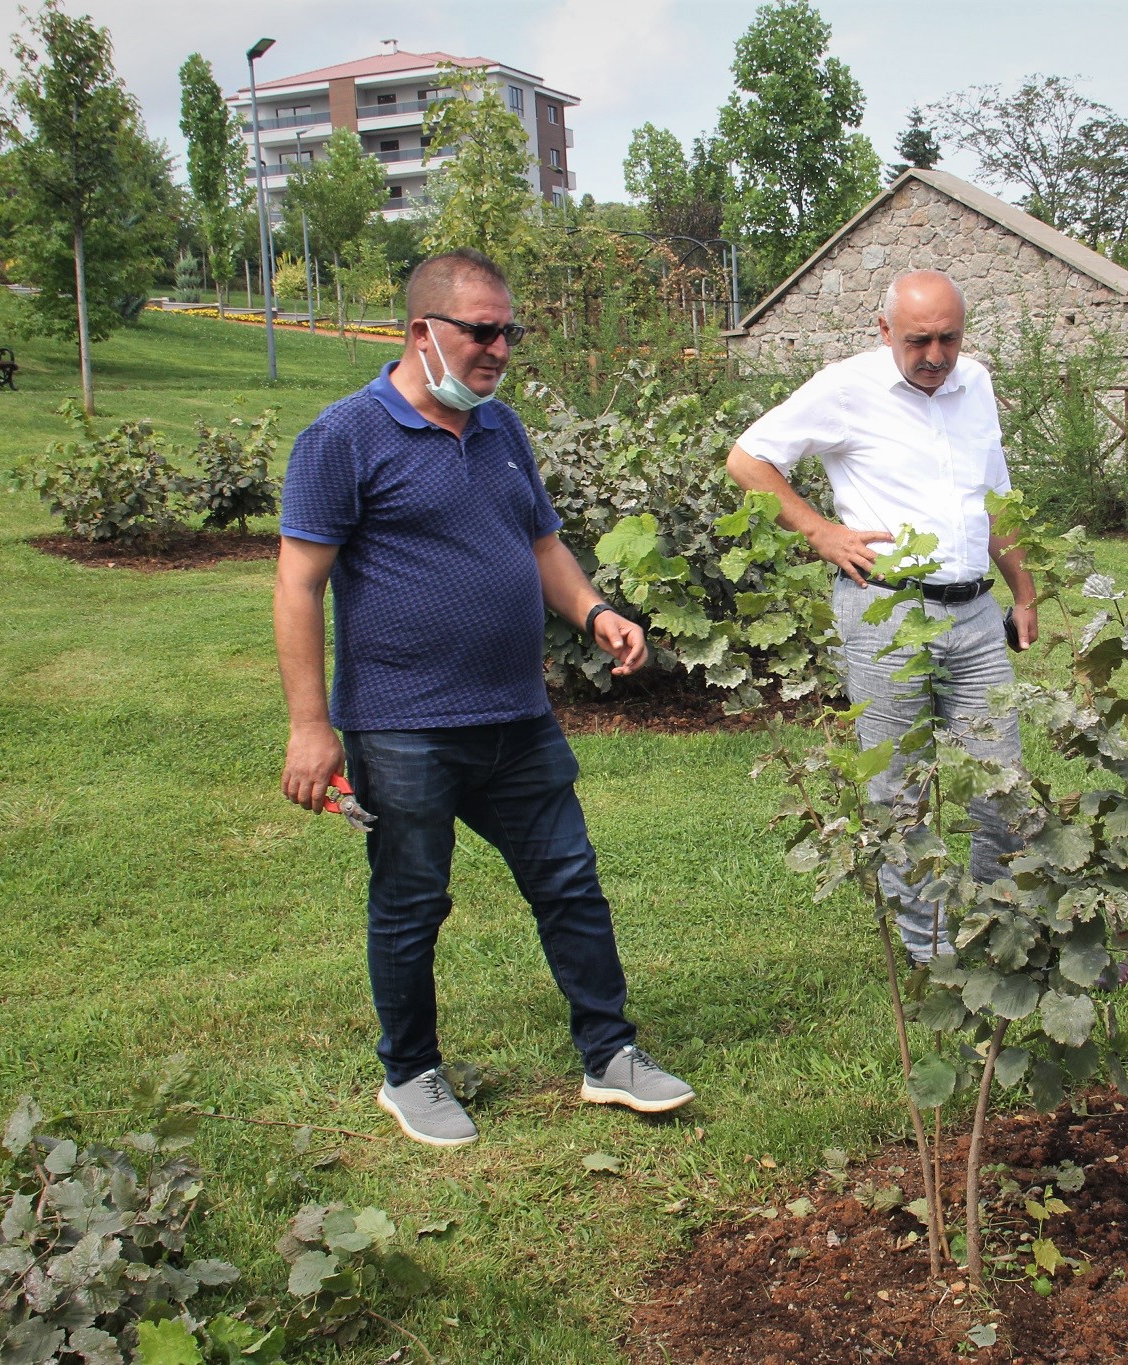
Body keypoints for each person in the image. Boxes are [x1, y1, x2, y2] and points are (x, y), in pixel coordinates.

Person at [274, 248, 693, 1148]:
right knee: (412, 900)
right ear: (422, 332)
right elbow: (296, 584)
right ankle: (411, 1072)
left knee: (570, 882)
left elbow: (541, 545)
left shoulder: (501, 430)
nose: (501, 347)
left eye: (510, 331)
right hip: (402, 725)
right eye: (483, 330)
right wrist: (312, 727)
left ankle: (610, 1055)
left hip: (516, 714)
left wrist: (593, 611)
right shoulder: (342, 438)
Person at [725, 269, 1039, 964]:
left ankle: (998, 929)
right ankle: (930, 950)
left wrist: (1022, 589)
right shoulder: (846, 387)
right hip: (887, 607)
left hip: (976, 610)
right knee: (900, 784)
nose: (935, 354)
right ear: (884, 331)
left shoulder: (977, 384)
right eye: (918, 339)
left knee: (1002, 779)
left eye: (949, 339)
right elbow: (747, 459)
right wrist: (819, 532)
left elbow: (996, 497)